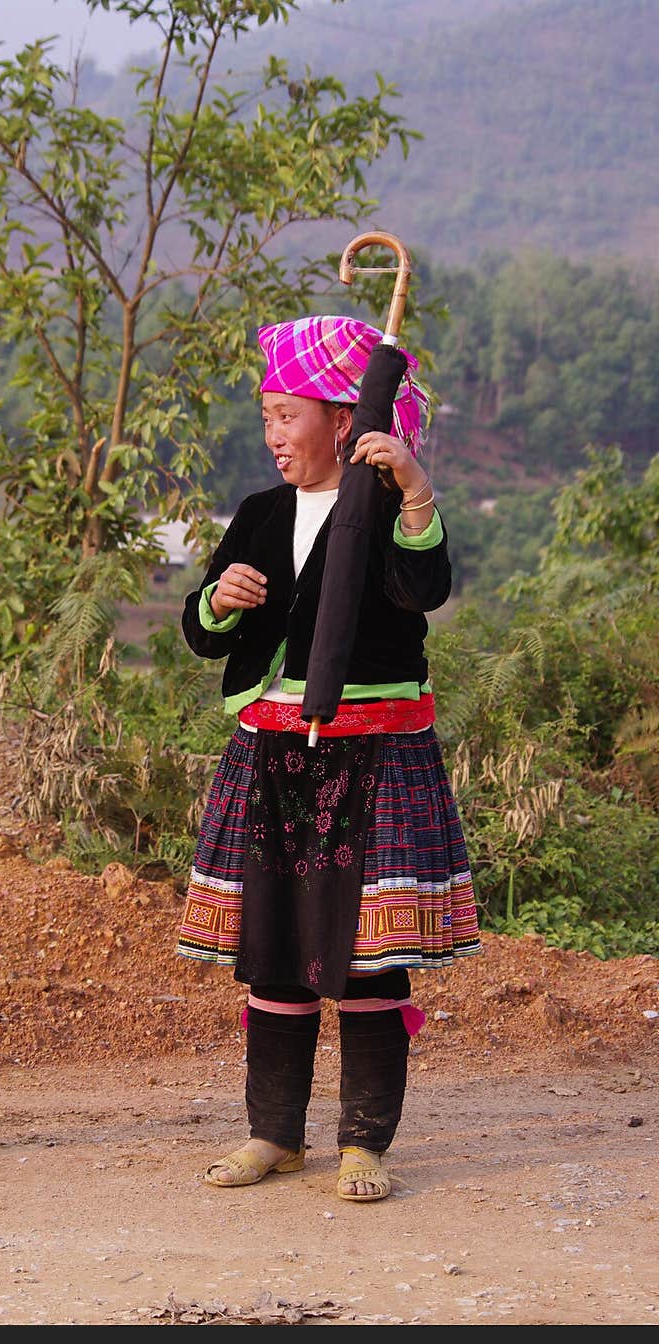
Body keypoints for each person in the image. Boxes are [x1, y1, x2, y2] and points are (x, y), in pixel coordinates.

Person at [178, 315, 480, 1201]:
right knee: (274, 951)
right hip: (272, 753)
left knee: (366, 960)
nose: (273, 434)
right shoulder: (262, 515)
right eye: (266, 415)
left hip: (375, 757)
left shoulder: (386, 507)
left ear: (342, 421)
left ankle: (362, 1143)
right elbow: (202, 635)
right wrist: (219, 600)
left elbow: (423, 588)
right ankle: (274, 1134)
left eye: (287, 414)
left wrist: (415, 489)